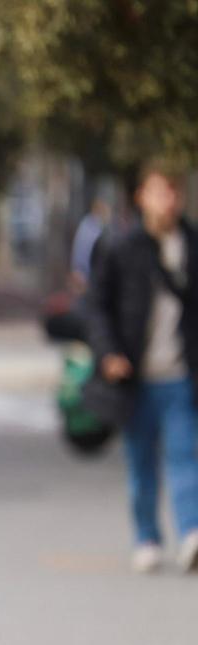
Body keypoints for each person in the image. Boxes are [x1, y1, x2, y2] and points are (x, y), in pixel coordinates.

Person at [86, 161, 198, 574]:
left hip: (181, 374)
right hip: (134, 377)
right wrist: (108, 353)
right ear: (140, 197)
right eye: (156, 192)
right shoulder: (121, 246)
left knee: (186, 456)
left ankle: (191, 534)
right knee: (141, 463)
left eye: (171, 192)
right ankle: (147, 538)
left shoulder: (191, 244)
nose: (165, 201)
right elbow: (96, 307)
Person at [71, 196, 112, 285]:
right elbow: (83, 250)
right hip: (86, 275)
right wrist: (79, 271)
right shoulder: (90, 228)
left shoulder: (93, 226)